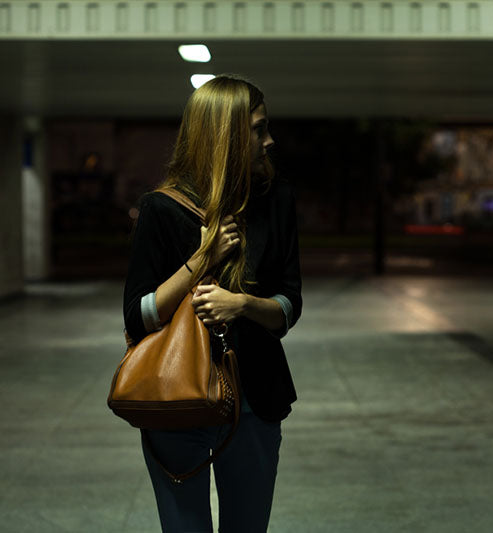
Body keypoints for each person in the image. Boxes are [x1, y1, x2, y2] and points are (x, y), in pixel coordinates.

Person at [122, 74, 302, 532]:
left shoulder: (275, 200)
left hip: (256, 397)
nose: (269, 140)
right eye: (259, 129)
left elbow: (288, 305)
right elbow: (140, 316)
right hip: (175, 394)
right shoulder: (161, 210)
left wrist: (240, 304)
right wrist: (203, 258)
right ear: (227, 135)